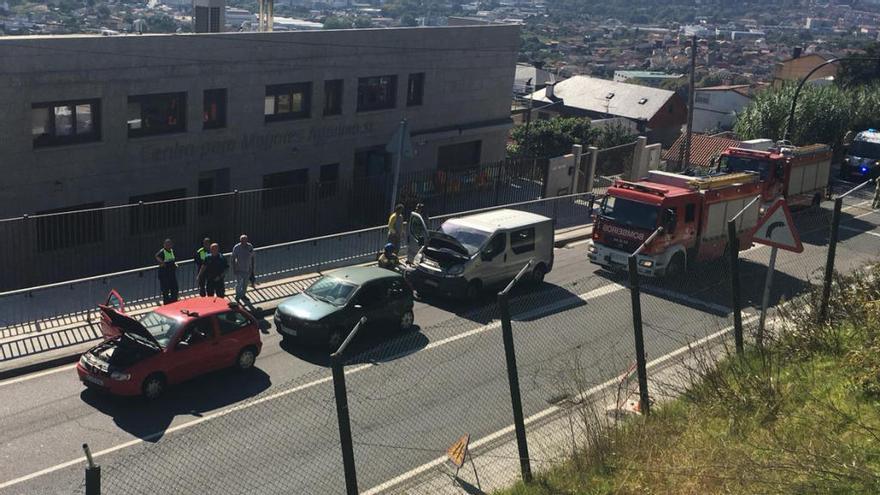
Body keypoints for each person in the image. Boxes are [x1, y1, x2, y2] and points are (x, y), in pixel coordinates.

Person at [155, 238, 179, 305]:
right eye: (167, 244)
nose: (168, 245)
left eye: (169, 244)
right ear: (164, 245)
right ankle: (167, 304)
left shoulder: (171, 251)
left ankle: (173, 302)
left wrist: (174, 264)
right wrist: (162, 263)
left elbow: (172, 259)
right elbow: (157, 256)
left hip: (172, 274)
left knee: (175, 289)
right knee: (165, 291)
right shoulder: (162, 251)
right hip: (164, 275)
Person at [232, 234, 255, 302]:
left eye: (245, 240)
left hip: (248, 269)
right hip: (239, 269)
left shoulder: (250, 246)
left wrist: (252, 267)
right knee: (239, 284)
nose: (243, 242)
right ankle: (237, 296)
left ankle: (243, 295)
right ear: (240, 240)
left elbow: (252, 257)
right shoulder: (236, 247)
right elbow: (233, 258)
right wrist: (234, 269)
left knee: (245, 284)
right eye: (242, 240)